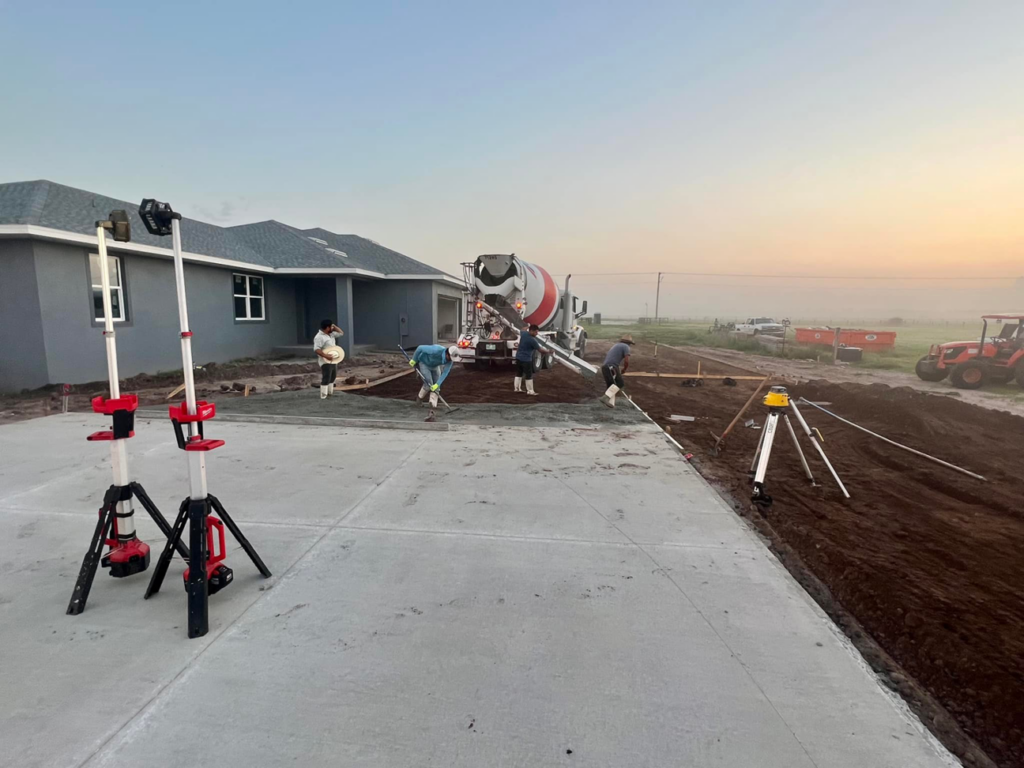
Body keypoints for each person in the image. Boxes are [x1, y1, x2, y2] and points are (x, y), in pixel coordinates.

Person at [410, 344, 459, 411]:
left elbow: (445, 372)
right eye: (450, 358)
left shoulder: (450, 361)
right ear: (447, 353)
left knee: (437, 386)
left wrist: (437, 384)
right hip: (424, 363)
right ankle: (419, 399)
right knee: (428, 384)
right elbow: (420, 348)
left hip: (435, 366)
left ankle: (432, 404)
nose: (450, 360)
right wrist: (414, 359)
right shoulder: (436, 350)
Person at [599, 333, 634, 408]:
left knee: (611, 387)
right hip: (611, 367)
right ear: (629, 343)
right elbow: (626, 361)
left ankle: (610, 405)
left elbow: (612, 359)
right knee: (620, 383)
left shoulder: (616, 345)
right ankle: (604, 398)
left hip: (605, 367)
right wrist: (624, 369)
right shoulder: (626, 346)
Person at [313, 319, 345, 399]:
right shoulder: (319, 337)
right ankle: (323, 395)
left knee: (333, 377)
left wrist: (334, 326)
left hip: (333, 359)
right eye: (331, 327)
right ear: (327, 328)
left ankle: (330, 393)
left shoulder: (331, 334)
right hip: (325, 361)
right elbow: (317, 349)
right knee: (326, 377)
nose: (332, 328)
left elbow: (341, 333)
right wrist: (326, 356)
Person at [514, 324, 542, 396]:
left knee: (519, 373)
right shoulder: (533, 341)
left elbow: (522, 329)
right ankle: (530, 391)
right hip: (526, 360)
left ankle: (517, 388)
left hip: (518, 358)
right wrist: (549, 351)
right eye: (535, 332)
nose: (537, 334)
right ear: (531, 331)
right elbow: (540, 350)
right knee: (528, 375)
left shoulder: (524, 334)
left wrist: (527, 326)